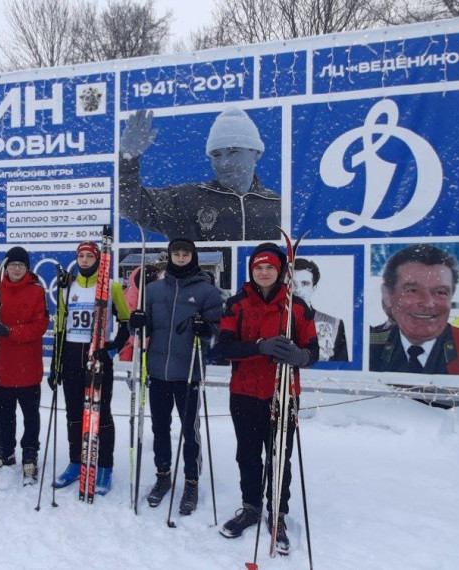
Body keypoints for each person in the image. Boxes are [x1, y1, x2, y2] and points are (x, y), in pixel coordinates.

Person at [212, 243, 318, 554]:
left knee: (279, 457)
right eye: (259, 267)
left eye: (270, 267)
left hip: (282, 394)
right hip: (245, 393)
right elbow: (224, 349)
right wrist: (259, 346)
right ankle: (251, 507)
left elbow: (314, 352)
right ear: (252, 271)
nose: (263, 272)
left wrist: (299, 355)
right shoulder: (237, 304)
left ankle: (278, 515)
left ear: (280, 271)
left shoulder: (297, 308)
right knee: (247, 455)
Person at [129, 238, 223, 515]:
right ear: (169, 256)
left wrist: (205, 328)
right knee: (160, 428)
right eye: (176, 253)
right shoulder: (154, 289)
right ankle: (162, 476)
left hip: (189, 373)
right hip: (157, 371)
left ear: (193, 256)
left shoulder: (207, 292)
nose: (181, 258)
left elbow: (219, 331)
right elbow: (142, 328)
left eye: (185, 254)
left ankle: (191, 481)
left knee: (189, 432)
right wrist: (138, 324)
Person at [119, 107, 280, 241]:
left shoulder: (275, 205)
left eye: (234, 152)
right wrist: (128, 160)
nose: (224, 163)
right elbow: (134, 206)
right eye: (216, 155)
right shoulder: (187, 200)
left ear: (257, 153)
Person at [49, 240, 131, 496]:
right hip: (72, 354)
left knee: (101, 413)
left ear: (98, 259)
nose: (84, 260)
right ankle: (76, 462)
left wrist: (112, 349)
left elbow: (126, 323)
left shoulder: (111, 286)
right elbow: (60, 328)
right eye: (81, 256)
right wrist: (55, 365)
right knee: (73, 413)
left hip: (97, 353)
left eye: (89, 256)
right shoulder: (67, 287)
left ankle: (105, 465)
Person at [0, 246, 49, 485]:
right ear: (6, 267)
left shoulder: (36, 291)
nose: (16, 269)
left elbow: (39, 325)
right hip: (1, 366)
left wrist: (10, 331)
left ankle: (30, 454)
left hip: (27, 365)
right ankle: (6, 451)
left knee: (30, 415)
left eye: (21, 265)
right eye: (12, 265)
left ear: (27, 268)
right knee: (3, 414)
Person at [369, 244, 459, 375]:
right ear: (387, 295)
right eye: (412, 291)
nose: (428, 303)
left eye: (440, 292)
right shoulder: (366, 347)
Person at [293, 258, 348, 361]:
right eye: (292, 284)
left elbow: (341, 370)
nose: (297, 290)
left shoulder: (333, 324)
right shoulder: (270, 319)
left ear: (314, 288)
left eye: (305, 284)